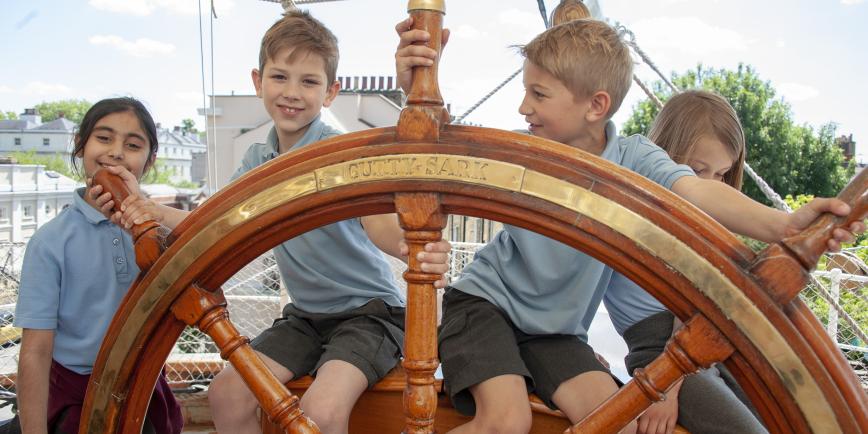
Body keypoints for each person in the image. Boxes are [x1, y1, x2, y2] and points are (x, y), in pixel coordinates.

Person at [395, 17, 862, 434]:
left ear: (596, 105)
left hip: (554, 334)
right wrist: (411, 85)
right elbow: (437, 157)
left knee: (622, 420)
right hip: (483, 308)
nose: (523, 107)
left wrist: (784, 226)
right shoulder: (523, 152)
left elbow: (697, 192)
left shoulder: (634, 158)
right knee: (507, 420)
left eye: (538, 94)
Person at [111, 10, 451, 434]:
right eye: (280, 77)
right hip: (306, 317)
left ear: (330, 93)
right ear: (258, 82)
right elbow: (212, 224)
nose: (292, 93)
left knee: (321, 412)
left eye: (308, 81)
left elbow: (380, 223)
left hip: (370, 315)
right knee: (226, 394)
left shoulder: (338, 153)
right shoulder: (258, 161)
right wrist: (149, 207)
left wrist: (413, 245)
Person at [13, 97, 183, 434]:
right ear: (80, 146)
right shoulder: (50, 242)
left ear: (149, 161)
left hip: (146, 389)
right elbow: (36, 351)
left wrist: (148, 212)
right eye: (104, 138)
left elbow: (216, 233)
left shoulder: (161, 229)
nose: (117, 152)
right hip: (77, 399)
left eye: (133, 145)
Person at [603, 90, 766, 434]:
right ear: (665, 157)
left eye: (721, 174)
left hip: (715, 342)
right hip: (663, 353)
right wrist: (667, 382)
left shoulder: (702, 227)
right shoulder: (626, 215)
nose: (708, 186)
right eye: (695, 170)